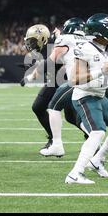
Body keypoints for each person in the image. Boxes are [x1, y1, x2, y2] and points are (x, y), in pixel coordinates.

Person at [66, 13, 108, 184]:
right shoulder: (85, 48)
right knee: (97, 132)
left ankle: (96, 161)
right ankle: (75, 174)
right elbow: (73, 80)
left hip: (100, 96)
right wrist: (100, 70)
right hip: (84, 96)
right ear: (101, 31)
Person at [41, 18, 89, 157]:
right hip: (95, 80)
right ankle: (94, 140)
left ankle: (57, 145)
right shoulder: (89, 40)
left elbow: (53, 59)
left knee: (53, 107)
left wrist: (35, 72)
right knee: (73, 116)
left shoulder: (65, 38)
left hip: (76, 81)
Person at [20, 24, 63, 152]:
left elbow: (47, 63)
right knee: (38, 107)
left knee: (73, 115)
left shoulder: (54, 45)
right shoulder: (46, 48)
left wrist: (30, 78)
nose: (30, 44)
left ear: (43, 39)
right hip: (54, 81)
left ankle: (90, 137)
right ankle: (53, 139)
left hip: (64, 82)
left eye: (33, 41)